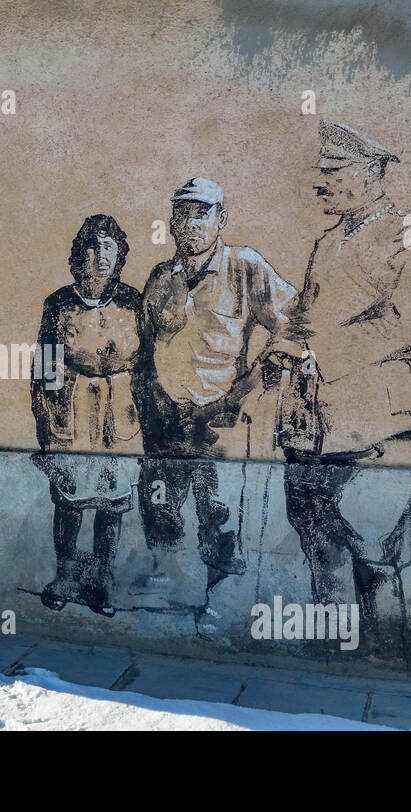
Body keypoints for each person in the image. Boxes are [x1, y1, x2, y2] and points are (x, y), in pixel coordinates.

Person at [278, 121, 411, 635]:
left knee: (373, 543)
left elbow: (407, 318)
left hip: (390, 412)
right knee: (316, 536)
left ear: (374, 171)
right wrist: (282, 347)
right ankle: (333, 652)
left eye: (334, 170)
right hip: (319, 420)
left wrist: (317, 350)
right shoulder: (327, 242)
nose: (321, 181)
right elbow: (305, 316)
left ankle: (379, 656)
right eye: (322, 170)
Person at [135, 177, 302, 609]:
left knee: (219, 516)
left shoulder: (245, 267)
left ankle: (217, 604)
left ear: (220, 219)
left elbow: (295, 327)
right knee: (160, 511)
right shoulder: (160, 278)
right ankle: (167, 596)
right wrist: (152, 404)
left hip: (220, 422)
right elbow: (145, 350)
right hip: (166, 423)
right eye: (183, 215)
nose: (192, 224)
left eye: (202, 214)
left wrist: (242, 394)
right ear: (172, 223)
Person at [30, 214, 142, 617]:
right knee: (70, 500)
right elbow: (42, 371)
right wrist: (46, 427)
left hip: (121, 416)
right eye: (91, 247)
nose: (98, 257)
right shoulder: (58, 304)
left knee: (111, 502)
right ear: (79, 255)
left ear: (119, 256)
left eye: (107, 247)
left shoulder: (133, 302)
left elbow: (146, 365)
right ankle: (65, 574)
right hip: (71, 412)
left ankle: (101, 580)